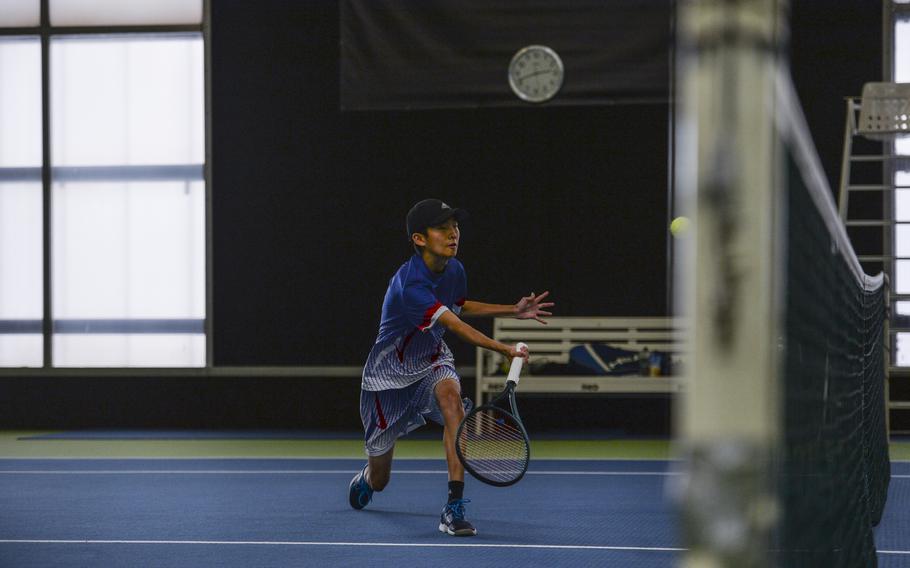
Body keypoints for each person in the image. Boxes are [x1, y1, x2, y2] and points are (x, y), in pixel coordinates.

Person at [348, 198, 554, 537]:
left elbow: (458, 307)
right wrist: (503, 349)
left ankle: (453, 507)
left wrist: (512, 311)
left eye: (455, 227)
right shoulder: (409, 284)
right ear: (419, 239)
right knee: (382, 479)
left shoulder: (454, 270)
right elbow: (454, 324)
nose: (453, 234)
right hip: (388, 378)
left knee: (452, 401)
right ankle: (369, 477)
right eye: (442, 228)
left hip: (431, 359)